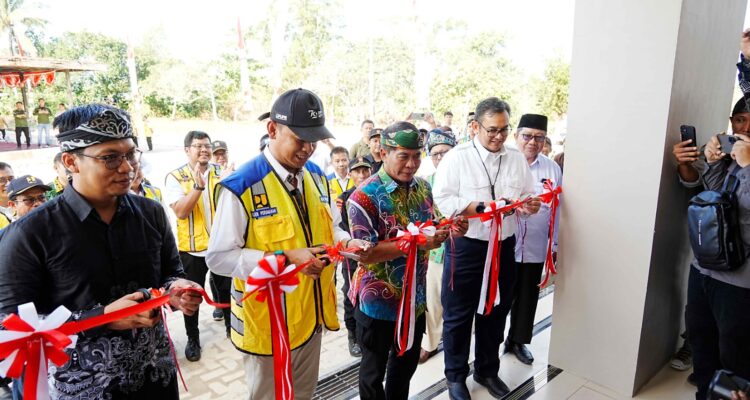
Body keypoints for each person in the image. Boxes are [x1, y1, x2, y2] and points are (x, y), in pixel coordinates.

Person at [0, 104, 203, 399]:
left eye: (130, 154)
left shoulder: (151, 212)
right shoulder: (29, 234)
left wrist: (177, 290)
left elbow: (171, 273)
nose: (127, 167)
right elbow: (9, 327)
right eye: (110, 158)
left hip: (155, 374)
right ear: (71, 161)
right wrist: (100, 318)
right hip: (81, 388)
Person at [206, 88, 370, 400]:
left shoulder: (317, 176)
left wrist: (348, 243)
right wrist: (285, 259)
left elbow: (332, 227)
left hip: (310, 318)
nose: (308, 148)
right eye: (300, 138)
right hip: (268, 327)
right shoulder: (241, 186)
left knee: (304, 393)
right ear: (272, 129)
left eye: (314, 139)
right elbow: (219, 258)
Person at [347, 122, 467, 400]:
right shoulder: (363, 197)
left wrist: (451, 227)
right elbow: (365, 252)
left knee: (405, 367)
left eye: (416, 156)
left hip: (415, 299)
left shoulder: (423, 188)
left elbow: (434, 222)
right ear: (383, 153)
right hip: (377, 303)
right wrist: (416, 244)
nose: (412, 164)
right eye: (403, 156)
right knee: (373, 373)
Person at [433, 97, 541, 399]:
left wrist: (528, 206)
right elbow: (443, 198)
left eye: (504, 130)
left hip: (503, 247)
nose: (499, 136)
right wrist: (480, 208)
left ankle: (487, 370)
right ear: (475, 127)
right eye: (492, 130)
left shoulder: (515, 158)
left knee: (496, 310)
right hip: (467, 247)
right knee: (458, 315)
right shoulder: (457, 158)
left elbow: (526, 195)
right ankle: (456, 377)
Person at [683, 31, 750, 400]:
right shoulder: (733, 150)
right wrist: (712, 160)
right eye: (739, 120)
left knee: (735, 359)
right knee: (702, 344)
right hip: (704, 268)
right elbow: (714, 196)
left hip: (740, 281)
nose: (744, 128)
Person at [165, 130, 228, 360]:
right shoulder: (176, 177)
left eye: (207, 146)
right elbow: (181, 212)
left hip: (221, 247)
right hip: (192, 250)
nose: (204, 150)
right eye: (198, 146)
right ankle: (193, 339)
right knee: (191, 298)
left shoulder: (222, 172)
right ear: (187, 150)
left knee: (226, 291)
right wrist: (197, 187)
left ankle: (232, 330)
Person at [505, 114, 562, 365]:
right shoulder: (504, 162)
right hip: (505, 245)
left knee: (528, 295)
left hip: (535, 245)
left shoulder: (551, 168)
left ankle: (517, 340)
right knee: (501, 297)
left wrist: (555, 244)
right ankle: (490, 343)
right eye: (527, 136)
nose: (532, 142)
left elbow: (558, 209)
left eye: (539, 137)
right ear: (516, 136)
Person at [420, 128, 457, 364]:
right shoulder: (425, 185)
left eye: (446, 152)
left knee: (459, 301)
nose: (441, 157)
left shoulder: (466, 181)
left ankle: (457, 344)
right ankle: (430, 343)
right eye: (436, 154)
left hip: (462, 250)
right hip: (435, 253)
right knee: (432, 299)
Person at [337, 156, 373, 357]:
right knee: (351, 294)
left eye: (365, 170)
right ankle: (353, 336)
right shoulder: (344, 198)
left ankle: (368, 334)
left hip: (374, 254)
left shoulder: (376, 193)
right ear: (350, 174)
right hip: (352, 257)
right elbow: (341, 228)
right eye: (357, 171)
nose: (362, 175)